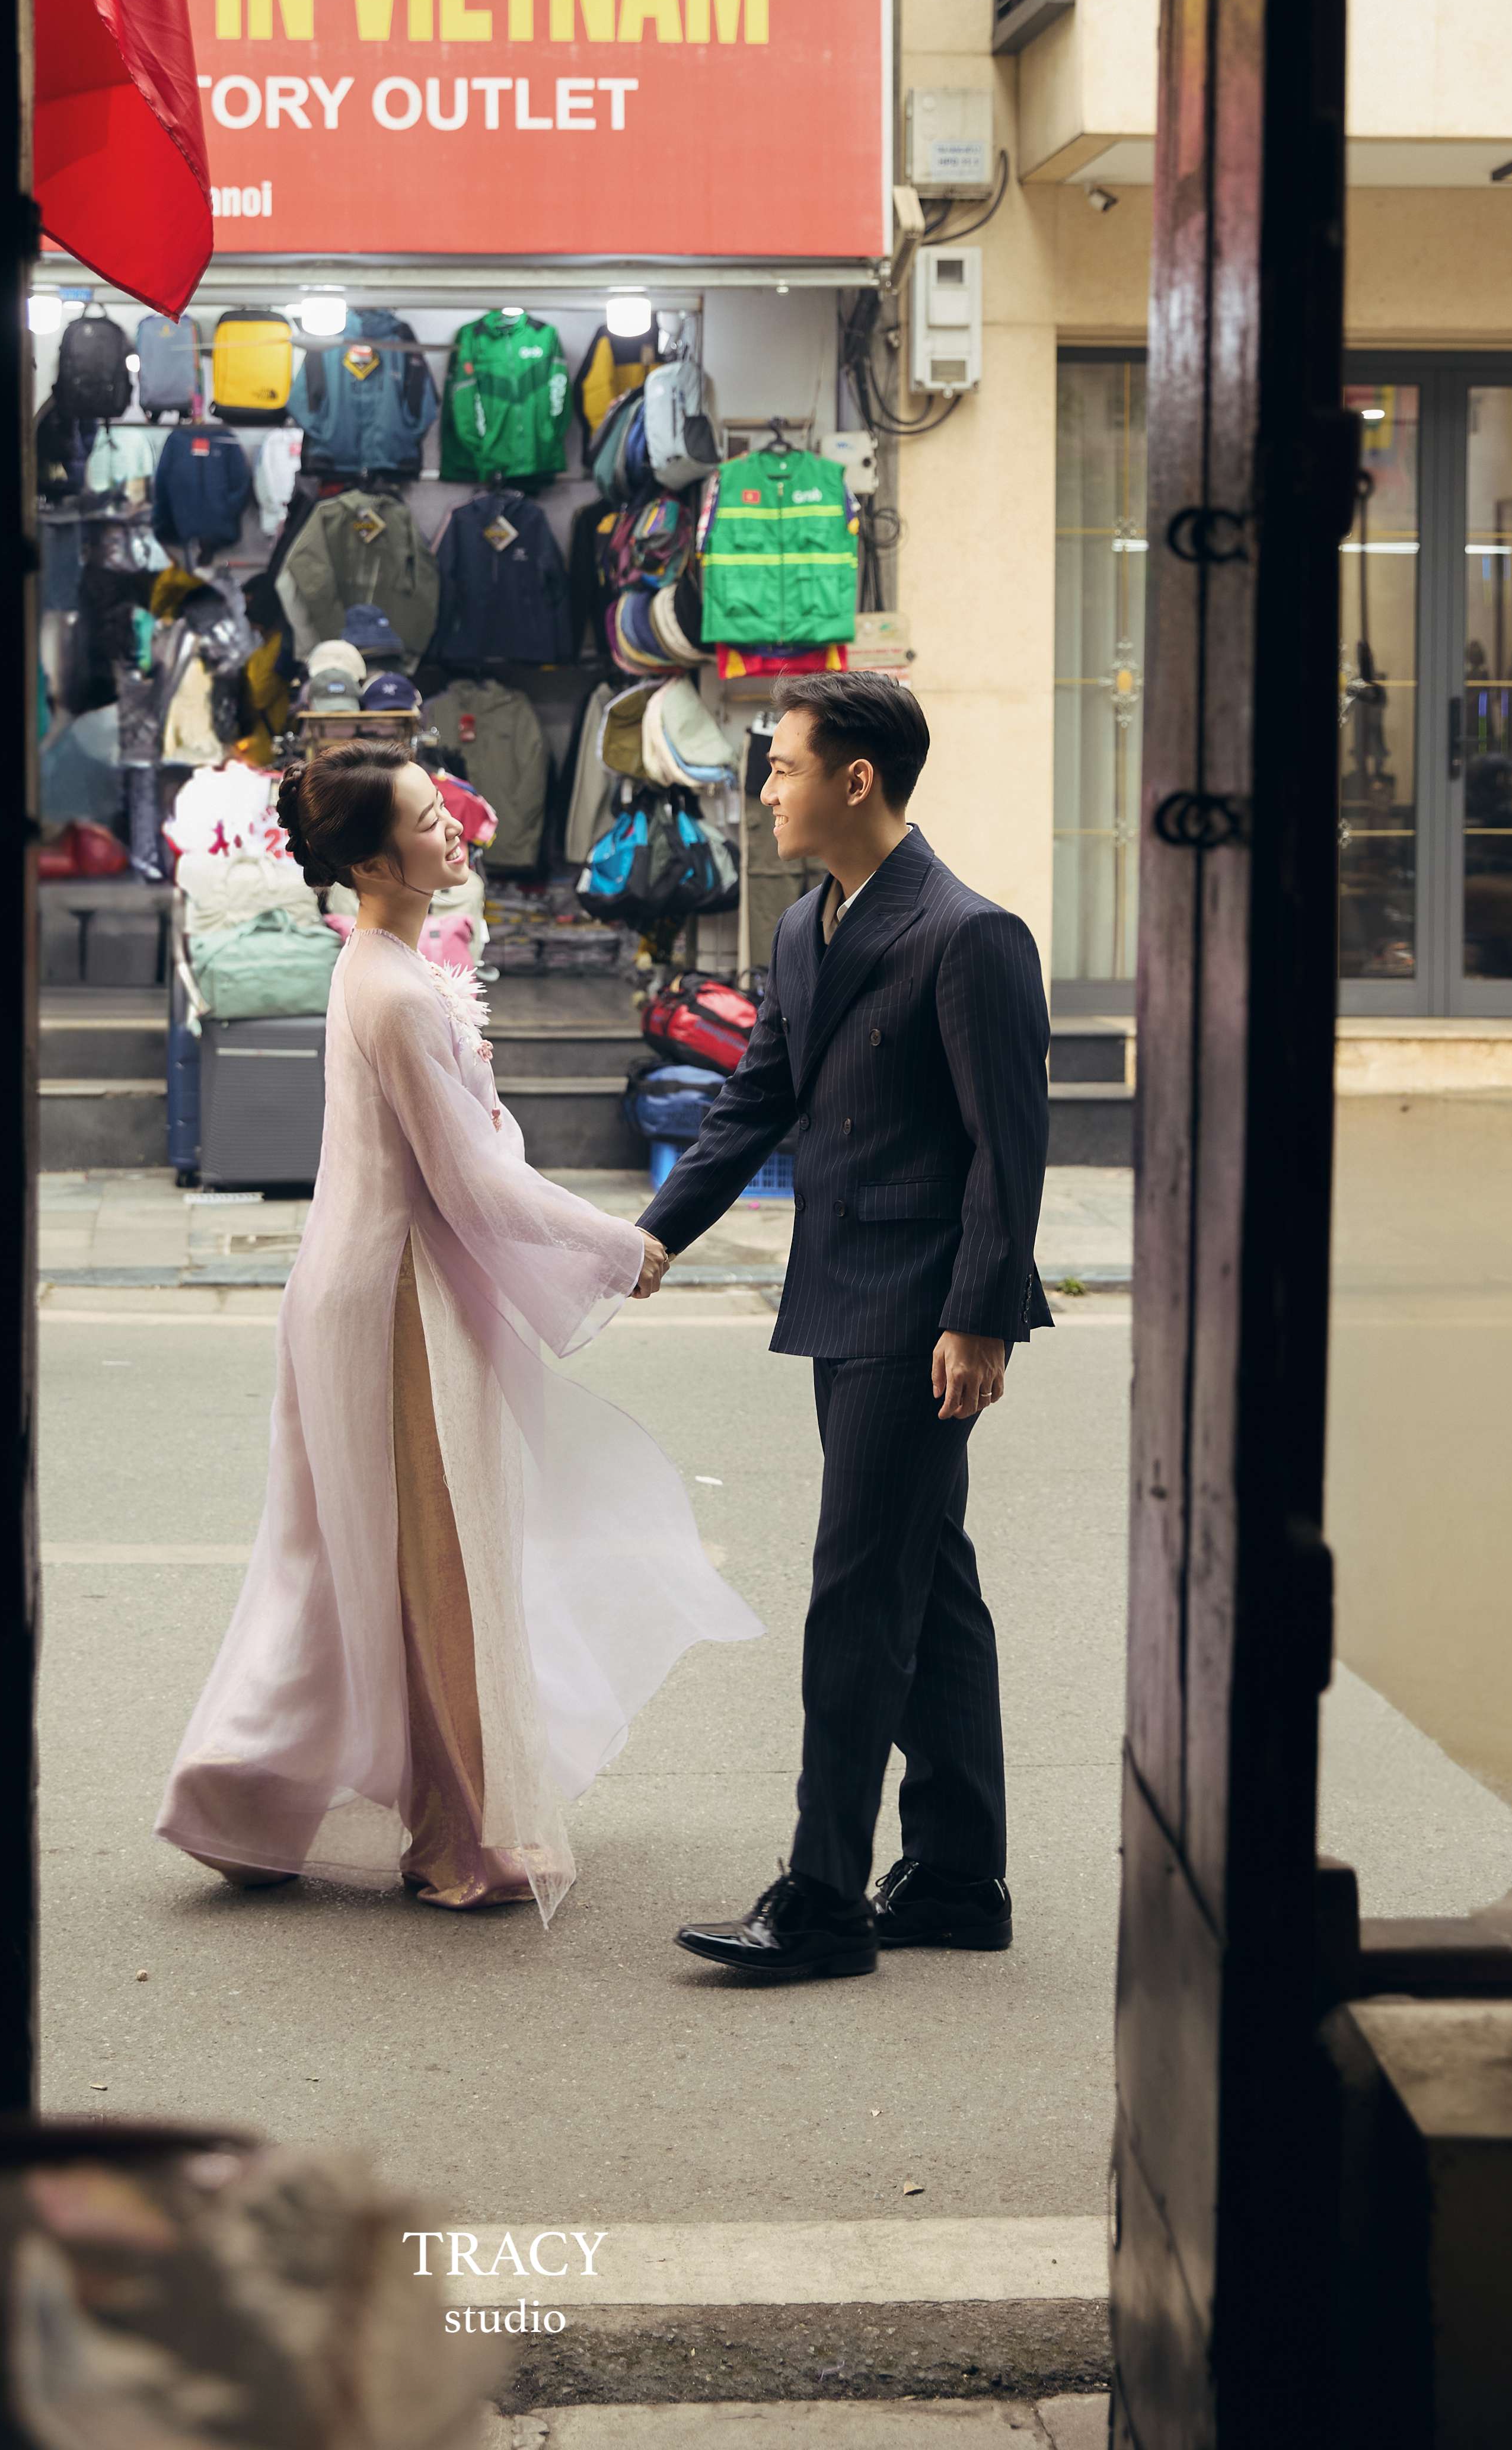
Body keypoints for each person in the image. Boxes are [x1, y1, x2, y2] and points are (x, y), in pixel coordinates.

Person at [156, 739, 761, 1917]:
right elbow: (473, 1187)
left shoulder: (380, 964)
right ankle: (457, 1830)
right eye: (431, 822)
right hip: (393, 1305)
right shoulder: (387, 986)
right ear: (377, 859)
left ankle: (244, 1794)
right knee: (435, 1569)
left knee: (344, 1566)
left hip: (370, 1285)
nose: (456, 833)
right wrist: (615, 1243)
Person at [637, 674, 1051, 1984]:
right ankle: (955, 1874)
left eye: (784, 769)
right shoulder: (810, 929)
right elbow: (757, 1097)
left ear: (854, 781)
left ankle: (822, 1898)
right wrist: (654, 1233)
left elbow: (1009, 1147)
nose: (766, 791)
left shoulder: (969, 933)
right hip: (841, 1290)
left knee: (860, 1593)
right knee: (932, 1579)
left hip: (921, 1307)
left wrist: (979, 1315)